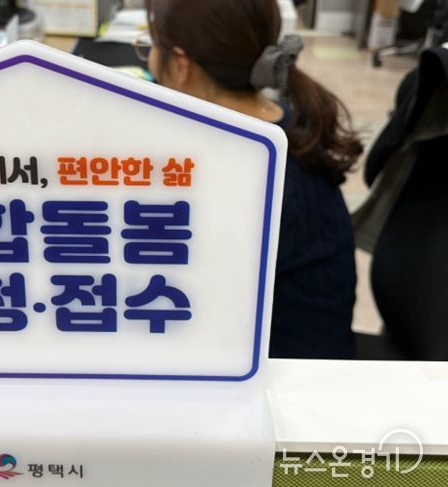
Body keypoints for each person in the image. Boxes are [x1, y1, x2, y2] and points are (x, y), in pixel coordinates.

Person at [143, 0, 363, 359]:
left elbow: (187, 307)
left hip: (286, 376)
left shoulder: (253, 176)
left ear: (181, 66)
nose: (149, 58)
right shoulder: (268, 131)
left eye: (151, 45)